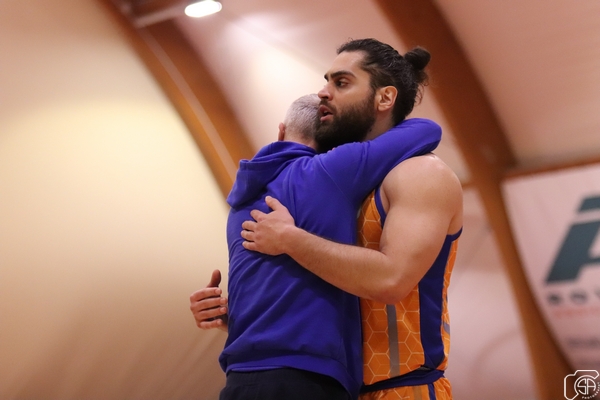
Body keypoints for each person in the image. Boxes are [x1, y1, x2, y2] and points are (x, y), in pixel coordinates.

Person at [239, 39, 463, 400]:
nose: (323, 93)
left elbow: (391, 280)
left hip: (404, 389)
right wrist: (238, 314)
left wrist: (292, 240)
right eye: (326, 81)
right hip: (332, 388)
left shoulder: (421, 173)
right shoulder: (336, 182)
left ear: (385, 98)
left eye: (341, 83)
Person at [193, 87, 441, 400]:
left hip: (240, 380)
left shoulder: (240, 202)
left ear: (281, 132)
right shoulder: (331, 170)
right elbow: (427, 130)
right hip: (308, 380)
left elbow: (279, 296)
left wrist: (228, 315)